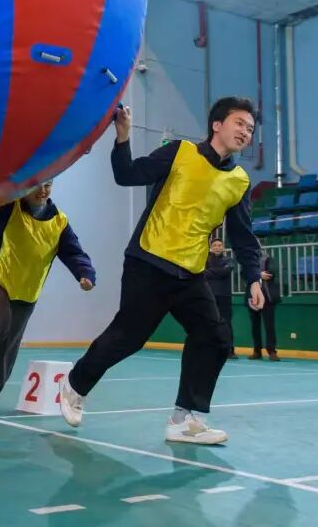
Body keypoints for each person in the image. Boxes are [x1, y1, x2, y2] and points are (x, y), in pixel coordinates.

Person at [58, 98, 265, 445]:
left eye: (250, 128)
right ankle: (75, 384)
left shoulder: (239, 181)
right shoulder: (179, 152)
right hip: (149, 261)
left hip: (190, 273)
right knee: (128, 336)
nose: (245, 131)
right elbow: (127, 175)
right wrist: (123, 137)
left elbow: (243, 236)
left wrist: (254, 277)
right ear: (217, 124)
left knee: (215, 337)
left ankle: (184, 419)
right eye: (239, 123)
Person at [0, 181, 95, 406]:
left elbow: (74, 253)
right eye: (36, 186)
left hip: (26, 292)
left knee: (8, 343)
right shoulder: (9, 208)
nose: (42, 191)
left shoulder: (59, 222)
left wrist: (85, 273)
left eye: (48, 185)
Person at [204, 238, 236, 359]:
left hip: (224, 296)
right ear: (211, 247)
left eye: (219, 245)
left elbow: (226, 272)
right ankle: (210, 350)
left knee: (226, 323)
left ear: (223, 247)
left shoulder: (229, 260)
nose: (217, 247)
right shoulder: (205, 260)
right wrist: (220, 270)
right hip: (209, 296)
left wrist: (211, 272)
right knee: (210, 323)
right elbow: (203, 273)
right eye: (215, 245)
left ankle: (229, 350)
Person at [248, 251, 281, 361]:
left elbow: (271, 273)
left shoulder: (268, 259)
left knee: (269, 325)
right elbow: (244, 274)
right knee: (254, 325)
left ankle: (272, 351)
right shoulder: (247, 260)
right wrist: (259, 275)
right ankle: (257, 351)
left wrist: (255, 274)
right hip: (252, 296)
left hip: (267, 296)